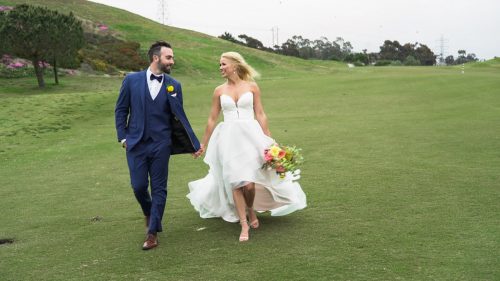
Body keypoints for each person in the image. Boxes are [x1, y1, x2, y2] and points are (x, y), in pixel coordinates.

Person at [188, 52, 306, 242]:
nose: (220, 68)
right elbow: (212, 119)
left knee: (249, 185)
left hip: (251, 137)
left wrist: (269, 140)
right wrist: (203, 143)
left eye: (223, 64)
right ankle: (244, 223)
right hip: (228, 139)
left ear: (235, 65)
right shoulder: (218, 91)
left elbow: (260, 114)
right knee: (236, 182)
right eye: (220, 65)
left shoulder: (252, 86)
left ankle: (251, 209)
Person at [115, 41, 201, 250]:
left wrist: (193, 144)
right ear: (156, 58)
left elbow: (179, 118)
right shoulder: (131, 80)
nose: (172, 61)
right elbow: (121, 110)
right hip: (135, 143)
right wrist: (123, 138)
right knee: (139, 187)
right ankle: (148, 211)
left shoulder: (174, 85)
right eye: (169, 57)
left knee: (160, 188)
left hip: (161, 145)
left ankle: (152, 232)